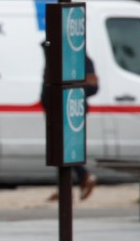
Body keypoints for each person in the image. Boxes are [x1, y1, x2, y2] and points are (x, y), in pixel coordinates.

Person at [41, 48, 99, 201]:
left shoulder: (80, 60)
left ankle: (82, 176)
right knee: (59, 149)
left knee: (64, 149)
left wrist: (70, 92)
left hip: (70, 110)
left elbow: (93, 86)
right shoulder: (55, 59)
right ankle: (65, 188)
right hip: (58, 110)